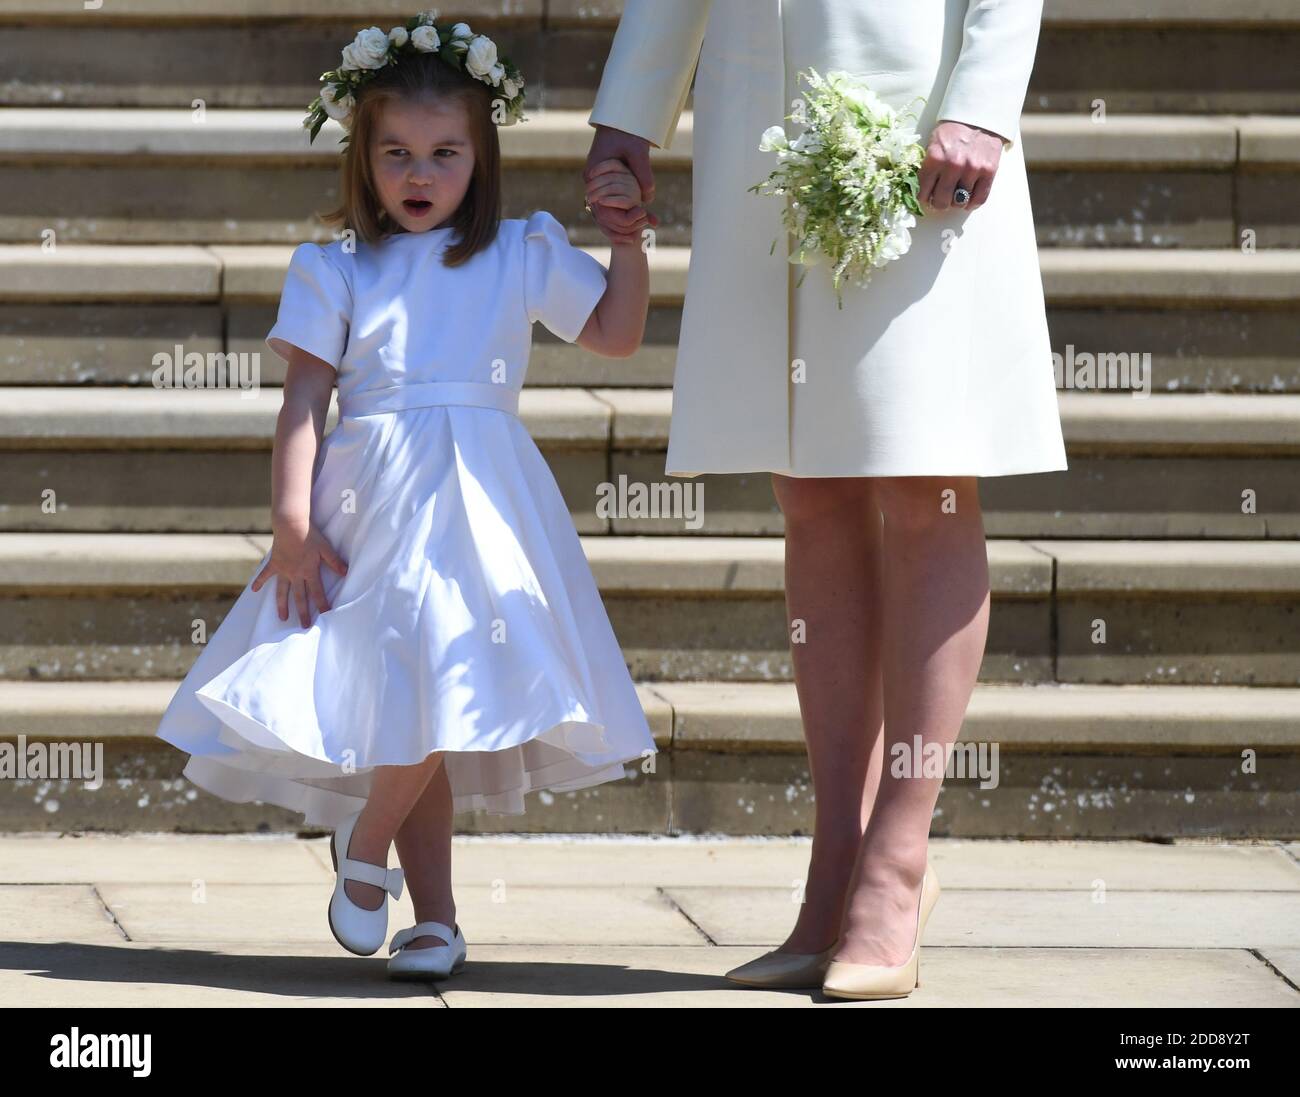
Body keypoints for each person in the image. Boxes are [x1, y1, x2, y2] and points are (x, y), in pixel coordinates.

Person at [154, 12, 655, 981]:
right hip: (371, 502)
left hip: (480, 502)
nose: (419, 174)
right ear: (362, 155)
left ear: (482, 155)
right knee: (413, 700)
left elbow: (616, 335)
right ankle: (437, 916)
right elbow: (304, 401)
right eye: (395, 153)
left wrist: (626, 242)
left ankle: (366, 842)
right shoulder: (335, 266)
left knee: (450, 680)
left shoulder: (516, 251)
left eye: (443, 153)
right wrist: (291, 525)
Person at [583, 0, 1067, 999]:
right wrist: (631, 109)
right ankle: (835, 866)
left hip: (919, 124)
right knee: (808, 488)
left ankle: (897, 860)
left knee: (923, 479)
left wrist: (980, 102)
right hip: (757, 120)